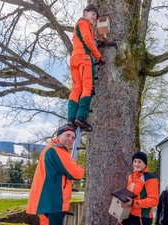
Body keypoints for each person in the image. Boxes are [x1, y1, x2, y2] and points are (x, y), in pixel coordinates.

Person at [26, 125, 85, 225]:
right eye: (68, 135)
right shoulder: (56, 151)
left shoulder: (52, 149)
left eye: (73, 138)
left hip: (50, 202)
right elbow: (76, 173)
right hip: (52, 203)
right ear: (58, 136)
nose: (70, 139)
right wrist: (82, 169)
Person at [67, 3, 105, 131]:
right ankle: (81, 116)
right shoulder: (84, 23)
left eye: (96, 16)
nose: (94, 17)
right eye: (93, 14)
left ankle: (71, 118)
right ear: (85, 13)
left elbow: (87, 40)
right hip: (84, 58)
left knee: (76, 88)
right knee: (87, 86)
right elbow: (88, 41)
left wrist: (98, 42)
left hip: (74, 59)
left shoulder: (78, 25)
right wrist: (99, 56)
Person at [120, 152, 159, 225]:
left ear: (145, 164)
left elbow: (154, 201)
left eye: (139, 162)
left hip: (142, 218)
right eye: (135, 161)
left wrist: (134, 203)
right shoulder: (131, 177)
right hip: (128, 214)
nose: (136, 164)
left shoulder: (150, 178)